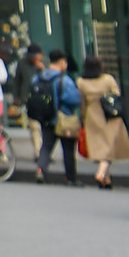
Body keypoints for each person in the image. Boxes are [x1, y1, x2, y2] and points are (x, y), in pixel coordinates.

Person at [77, 55, 129, 189]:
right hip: (109, 116)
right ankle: (100, 173)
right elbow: (117, 94)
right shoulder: (108, 79)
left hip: (91, 116)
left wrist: (83, 118)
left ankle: (107, 180)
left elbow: (81, 103)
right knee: (109, 147)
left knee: (101, 147)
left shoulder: (81, 82)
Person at [34, 51, 83, 186]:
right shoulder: (64, 80)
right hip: (63, 118)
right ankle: (70, 178)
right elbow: (75, 99)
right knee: (68, 149)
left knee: (46, 146)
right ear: (62, 62)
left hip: (45, 118)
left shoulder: (38, 77)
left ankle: (40, 170)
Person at [15, 44, 50, 157]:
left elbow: (51, 79)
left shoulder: (45, 62)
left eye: (38, 56)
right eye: (33, 56)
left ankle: (47, 152)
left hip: (44, 98)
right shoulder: (22, 63)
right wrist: (18, 97)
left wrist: (43, 69)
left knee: (46, 127)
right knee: (34, 127)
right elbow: (17, 81)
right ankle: (38, 152)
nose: (35, 58)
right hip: (30, 98)